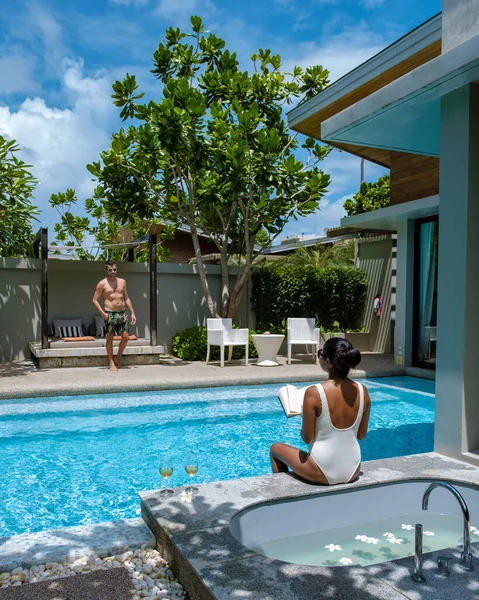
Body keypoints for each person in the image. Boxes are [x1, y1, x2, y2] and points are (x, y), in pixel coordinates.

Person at [270, 337, 371, 485]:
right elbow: (361, 435)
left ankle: (282, 497)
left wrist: (304, 415)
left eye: (320, 354)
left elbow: (307, 438)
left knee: (275, 449)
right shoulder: (363, 392)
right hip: (353, 469)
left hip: (322, 469)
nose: (320, 358)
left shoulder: (314, 393)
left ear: (328, 362)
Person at [92, 259, 137, 372]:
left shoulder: (122, 282)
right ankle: (111, 362)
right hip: (110, 314)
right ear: (106, 270)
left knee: (126, 337)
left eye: (115, 269)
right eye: (110, 270)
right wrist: (103, 313)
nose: (113, 271)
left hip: (122, 313)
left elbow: (126, 297)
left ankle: (118, 357)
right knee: (109, 340)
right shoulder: (102, 284)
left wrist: (132, 313)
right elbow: (94, 300)